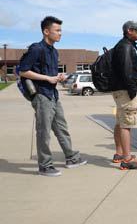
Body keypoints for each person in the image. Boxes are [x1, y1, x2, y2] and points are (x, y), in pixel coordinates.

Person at [19, 16, 87, 176]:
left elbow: (49, 73)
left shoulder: (54, 51)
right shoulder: (36, 49)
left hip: (53, 95)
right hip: (41, 96)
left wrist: (58, 77)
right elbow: (23, 71)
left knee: (62, 128)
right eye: (57, 30)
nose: (60, 34)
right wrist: (48, 78)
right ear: (46, 31)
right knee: (44, 131)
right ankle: (45, 165)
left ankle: (71, 158)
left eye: (60, 30)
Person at [110, 20, 137, 170]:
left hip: (118, 90)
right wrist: (132, 91)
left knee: (120, 122)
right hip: (125, 91)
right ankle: (127, 159)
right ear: (128, 31)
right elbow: (127, 72)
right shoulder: (126, 47)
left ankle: (119, 153)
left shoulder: (121, 45)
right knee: (127, 124)